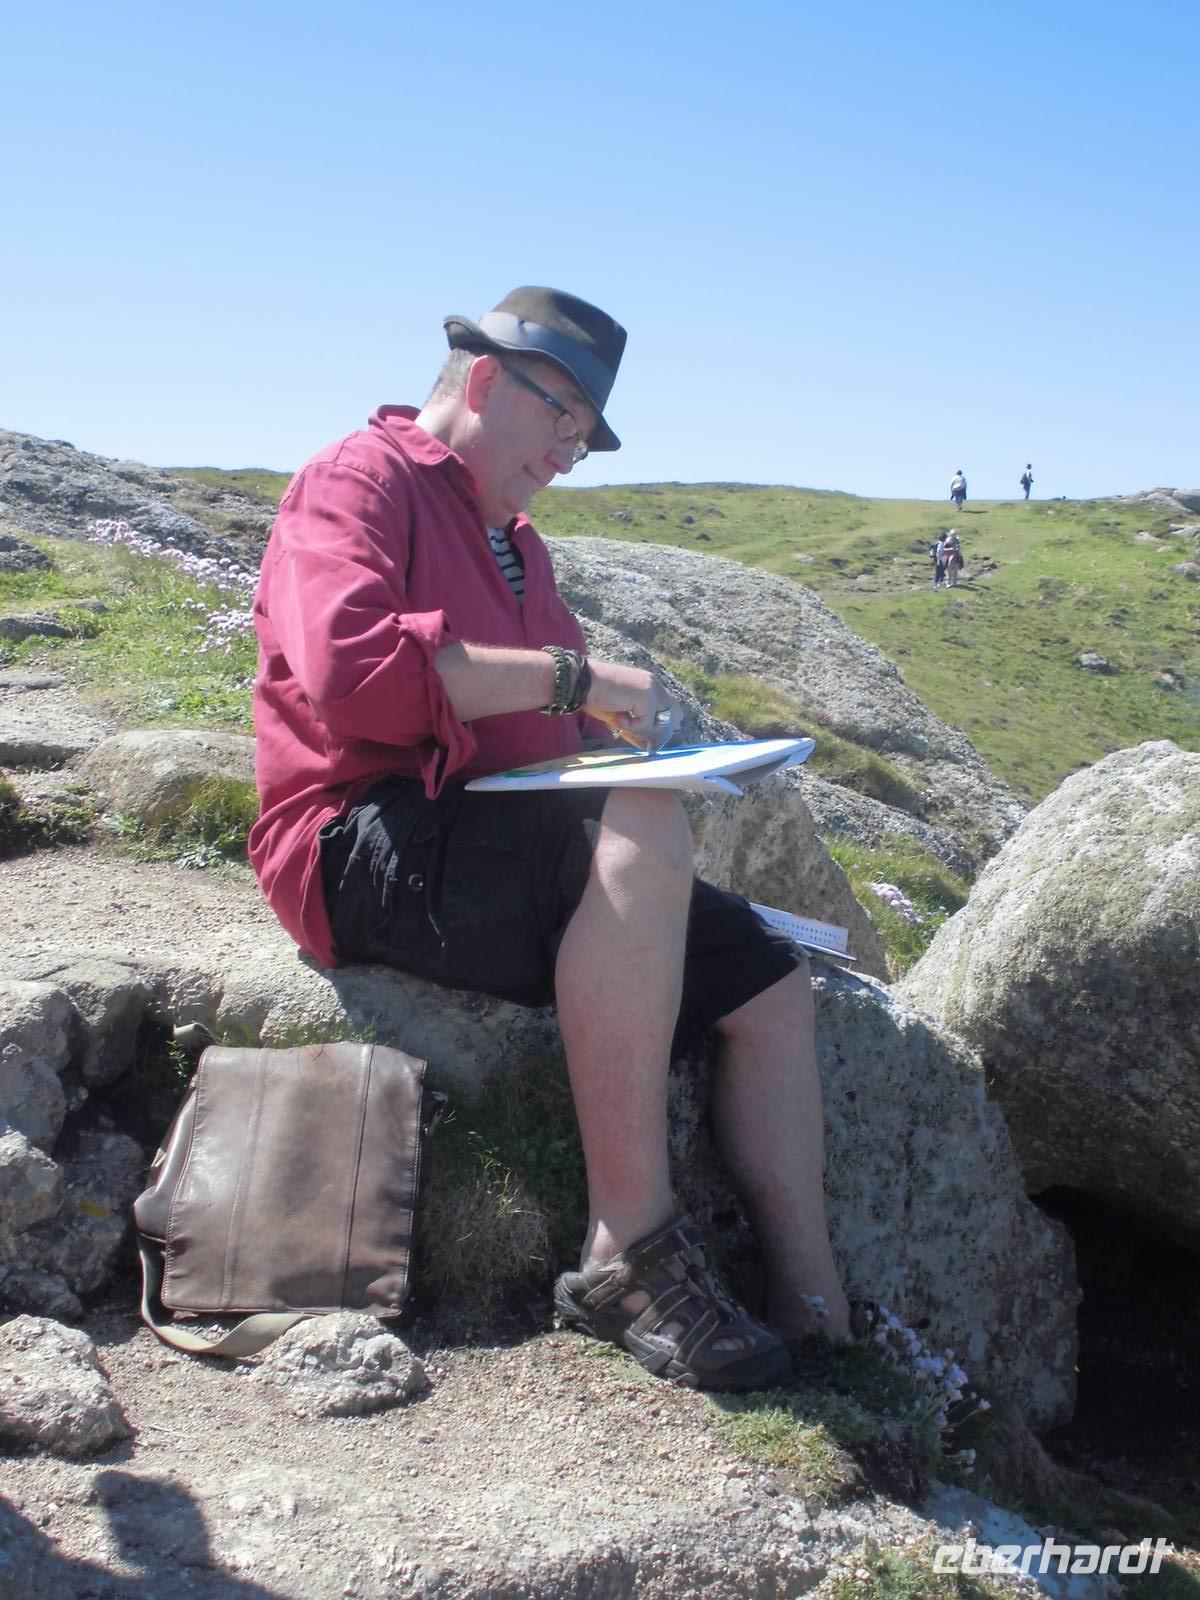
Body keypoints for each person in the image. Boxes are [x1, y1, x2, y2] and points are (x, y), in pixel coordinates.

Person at [249, 286, 854, 1392]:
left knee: (767, 978)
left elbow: (537, 733)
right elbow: (352, 674)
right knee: (643, 821)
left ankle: (818, 1305)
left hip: (488, 839)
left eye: (586, 434)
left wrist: (611, 739)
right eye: (562, 416)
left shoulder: (521, 545)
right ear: (486, 377)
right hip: (354, 838)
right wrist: (579, 680)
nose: (570, 453)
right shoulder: (356, 480)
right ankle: (627, 1251)